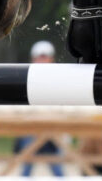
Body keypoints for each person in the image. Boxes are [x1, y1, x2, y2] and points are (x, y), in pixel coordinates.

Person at [12, 41, 64, 176]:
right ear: (33, 58)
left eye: (44, 57)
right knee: (26, 169)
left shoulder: (59, 77)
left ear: (51, 58)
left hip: (52, 129)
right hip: (31, 128)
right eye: (40, 57)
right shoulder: (25, 76)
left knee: (57, 169)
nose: (42, 60)